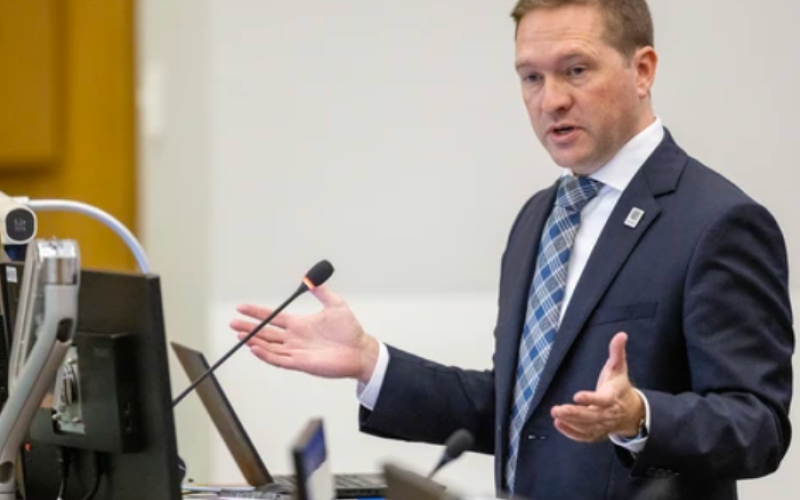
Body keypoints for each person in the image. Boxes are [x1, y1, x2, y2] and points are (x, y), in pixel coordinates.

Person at [229, 1, 794, 499]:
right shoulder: (538, 218)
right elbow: (518, 408)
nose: (551, 100)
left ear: (642, 70)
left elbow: (758, 425)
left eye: (576, 70)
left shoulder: (718, 222)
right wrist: (373, 362)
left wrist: (638, 416)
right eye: (530, 77)